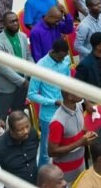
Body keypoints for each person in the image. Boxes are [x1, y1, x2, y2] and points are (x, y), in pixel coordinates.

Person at [28, 37, 73, 165]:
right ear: (53, 51)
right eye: (60, 57)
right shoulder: (40, 67)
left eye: (64, 57)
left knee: (65, 146)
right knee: (46, 152)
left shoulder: (65, 60)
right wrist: (54, 102)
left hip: (65, 111)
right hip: (49, 116)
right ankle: (42, 173)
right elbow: (31, 94)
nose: (62, 60)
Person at [48, 89, 94, 184]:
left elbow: (81, 127)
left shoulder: (79, 107)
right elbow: (51, 151)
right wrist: (80, 143)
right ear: (69, 96)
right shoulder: (57, 122)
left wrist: (87, 134)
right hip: (65, 175)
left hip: (80, 166)